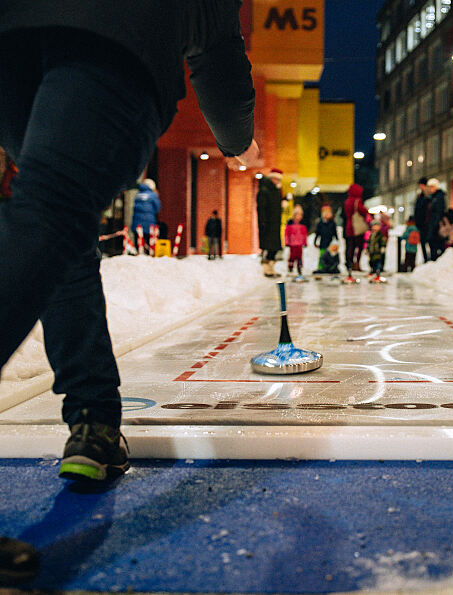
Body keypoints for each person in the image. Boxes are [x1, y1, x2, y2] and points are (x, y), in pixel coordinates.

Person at [0, 1, 260, 488]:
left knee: (60, 230)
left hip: (13, 44)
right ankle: (93, 422)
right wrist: (238, 139)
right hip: (111, 43)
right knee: (51, 215)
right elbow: (214, 37)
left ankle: (94, 421)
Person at [257, 168, 283, 277]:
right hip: (267, 224)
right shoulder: (264, 190)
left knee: (274, 248)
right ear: (271, 178)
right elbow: (262, 208)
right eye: (275, 179)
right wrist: (263, 222)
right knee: (268, 248)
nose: (277, 181)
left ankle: (271, 269)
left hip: (274, 223)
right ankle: (266, 269)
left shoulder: (276, 191)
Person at [343, 183, 369, 271]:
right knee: (359, 246)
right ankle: (357, 264)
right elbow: (362, 210)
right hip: (357, 227)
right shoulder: (357, 201)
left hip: (349, 226)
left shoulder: (347, 201)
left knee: (351, 246)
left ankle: (349, 263)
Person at [131, 178, 161, 249]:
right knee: (148, 240)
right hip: (149, 221)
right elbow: (157, 208)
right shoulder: (153, 195)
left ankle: (138, 251)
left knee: (138, 239)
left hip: (137, 222)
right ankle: (148, 251)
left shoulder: (137, 195)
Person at [426, 178, 447, 261]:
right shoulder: (432, 197)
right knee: (433, 244)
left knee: (437, 244)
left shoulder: (439, 197)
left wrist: (436, 224)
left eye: (432, 187)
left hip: (436, 226)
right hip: (433, 224)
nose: (430, 189)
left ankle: (437, 261)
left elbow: (439, 212)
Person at [284, 204, 308, 276]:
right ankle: (290, 267)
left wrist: (305, 242)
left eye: (300, 215)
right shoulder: (290, 225)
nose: (299, 217)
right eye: (297, 215)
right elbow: (287, 234)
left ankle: (299, 267)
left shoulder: (303, 225)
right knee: (292, 256)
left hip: (300, 244)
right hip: (292, 244)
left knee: (299, 256)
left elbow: (304, 235)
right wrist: (287, 242)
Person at [314, 204, 338, 269]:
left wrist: (336, 240)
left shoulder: (332, 223)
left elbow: (335, 233)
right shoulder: (320, 223)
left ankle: (331, 267)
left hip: (330, 243)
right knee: (322, 255)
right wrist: (315, 241)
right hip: (323, 243)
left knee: (330, 255)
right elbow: (317, 233)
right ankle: (321, 267)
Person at [413, 176, 430, 262]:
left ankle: (427, 259)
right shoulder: (421, 195)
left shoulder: (427, 195)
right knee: (423, 243)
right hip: (421, 223)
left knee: (426, 242)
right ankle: (425, 258)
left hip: (425, 223)